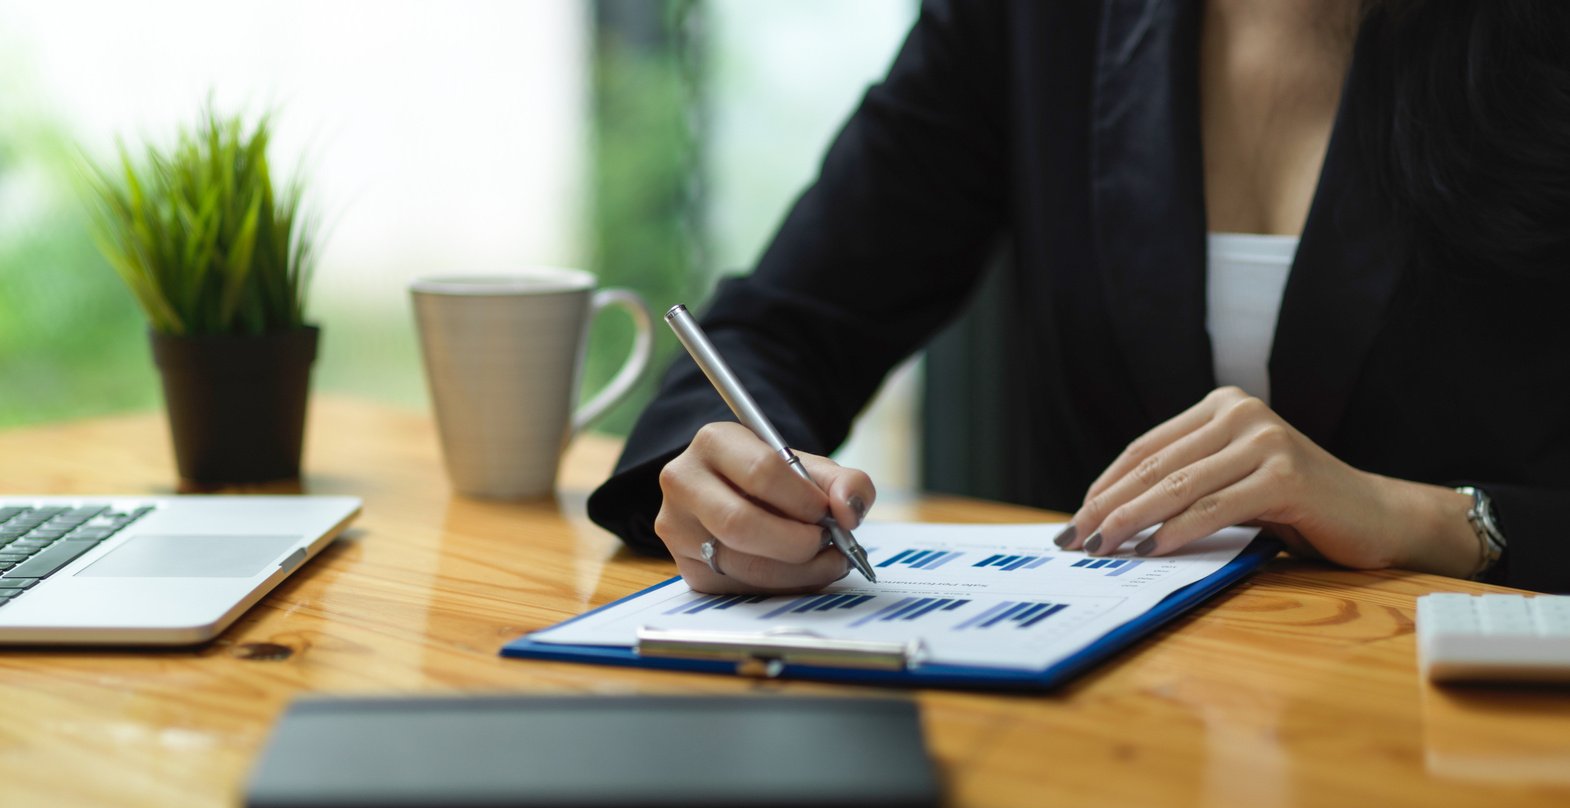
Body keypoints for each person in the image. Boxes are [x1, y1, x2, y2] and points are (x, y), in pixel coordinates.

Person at [587, 0, 1570, 594]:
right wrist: (723, 478)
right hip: (1114, 725)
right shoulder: (1036, 19)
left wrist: (1436, 519)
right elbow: (784, 322)